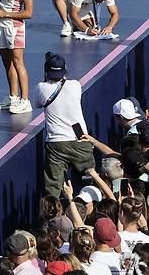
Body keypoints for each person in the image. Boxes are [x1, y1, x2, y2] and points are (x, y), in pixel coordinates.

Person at [34, 53, 94, 196]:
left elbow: (37, 104)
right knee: (89, 181)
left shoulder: (41, 88)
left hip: (56, 144)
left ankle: (53, 215)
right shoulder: (75, 85)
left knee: (53, 188)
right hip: (80, 140)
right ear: (64, 70)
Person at [51, 0, 120, 37]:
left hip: (82, 5)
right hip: (66, 1)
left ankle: (75, 25)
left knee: (91, 29)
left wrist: (109, 27)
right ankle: (66, 24)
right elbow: (73, 13)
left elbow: (115, 13)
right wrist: (86, 30)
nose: (100, 1)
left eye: (103, 0)